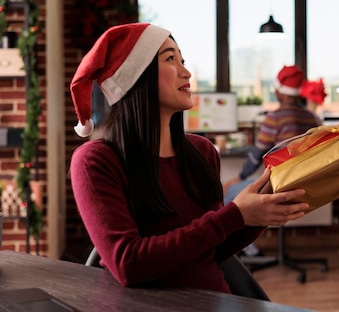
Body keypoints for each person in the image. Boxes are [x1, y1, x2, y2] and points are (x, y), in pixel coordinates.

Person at [69, 23, 309, 292]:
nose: (186, 72)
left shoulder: (202, 152)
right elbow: (129, 264)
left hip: (213, 300)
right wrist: (235, 215)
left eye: (182, 60)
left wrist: (260, 214)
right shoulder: (95, 161)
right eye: (170, 59)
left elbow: (211, 249)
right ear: (135, 77)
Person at [222, 65, 321, 256]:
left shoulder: (274, 119)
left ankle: (243, 250)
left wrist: (240, 177)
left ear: (279, 91)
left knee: (227, 198)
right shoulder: (312, 118)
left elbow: (256, 155)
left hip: (278, 185)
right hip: (304, 184)